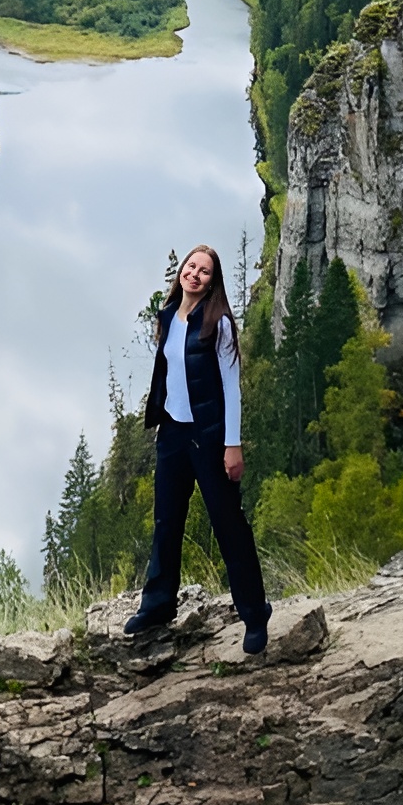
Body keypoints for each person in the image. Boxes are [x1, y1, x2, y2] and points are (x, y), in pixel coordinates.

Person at [126, 243, 270, 653]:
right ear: (181, 272)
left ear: (212, 281)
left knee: (229, 526)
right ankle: (157, 605)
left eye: (204, 271)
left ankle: (255, 616)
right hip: (172, 435)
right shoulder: (169, 315)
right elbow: (167, 373)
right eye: (191, 267)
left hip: (208, 439)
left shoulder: (218, 323)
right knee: (166, 522)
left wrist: (232, 445)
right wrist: (161, 420)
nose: (195, 275)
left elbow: (231, 387)